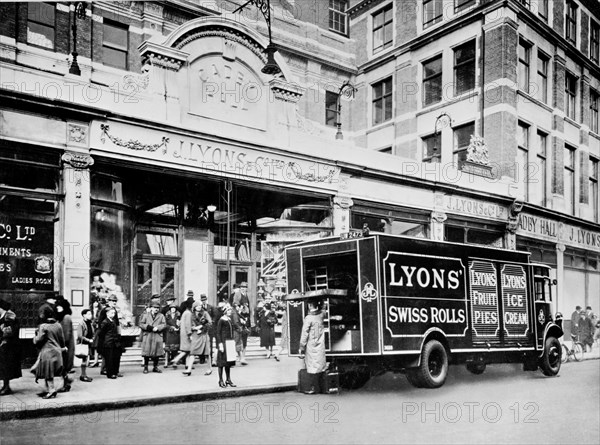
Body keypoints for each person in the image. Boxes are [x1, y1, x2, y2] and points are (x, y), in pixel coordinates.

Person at [32, 313, 66, 399]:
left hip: (47, 351)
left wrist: (35, 337)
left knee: (48, 371)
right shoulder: (58, 325)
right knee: (50, 371)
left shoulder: (43, 326)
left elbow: (38, 340)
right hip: (57, 351)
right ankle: (49, 390)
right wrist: (62, 347)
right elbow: (62, 339)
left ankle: (51, 391)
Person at [299, 299, 327, 395]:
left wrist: (301, 346)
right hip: (320, 344)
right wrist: (321, 302)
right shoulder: (321, 315)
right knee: (320, 365)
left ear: (310, 305)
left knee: (311, 367)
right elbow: (323, 309)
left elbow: (304, 334)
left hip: (311, 345)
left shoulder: (308, 318)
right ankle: (322, 387)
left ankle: (313, 388)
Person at [184, 301, 212, 376]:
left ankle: (209, 369)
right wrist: (190, 333)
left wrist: (202, 327)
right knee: (192, 352)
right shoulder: (191, 315)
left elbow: (210, 323)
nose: (199, 307)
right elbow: (188, 325)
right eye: (197, 306)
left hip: (203, 335)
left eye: (200, 305)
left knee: (207, 353)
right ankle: (189, 369)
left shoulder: (205, 313)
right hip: (195, 335)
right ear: (194, 307)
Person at [0, 299, 22, 395]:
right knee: (3, 367)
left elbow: (8, 331)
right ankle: (5, 386)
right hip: (4, 345)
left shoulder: (9, 317)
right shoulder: (3, 316)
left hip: (8, 346)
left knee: (6, 367)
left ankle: (6, 387)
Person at [139, 302, 167, 373]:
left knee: (157, 352)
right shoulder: (146, 315)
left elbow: (164, 324)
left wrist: (157, 328)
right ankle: (146, 367)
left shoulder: (161, 316)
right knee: (146, 352)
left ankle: (155, 367)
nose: (156, 309)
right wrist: (148, 327)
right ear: (151, 308)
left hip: (157, 335)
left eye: (157, 308)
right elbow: (141, 324)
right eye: (154, 307)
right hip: (148, 335)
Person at [97, 307, 122, 379]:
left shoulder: (113, 321)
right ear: (107, 313)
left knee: (115, 357)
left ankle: (115, 372)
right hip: (108, 342)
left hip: (114, 342)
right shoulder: (105, 322)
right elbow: (101, 333)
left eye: (114, 313)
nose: (113, 314)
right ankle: (110, 374)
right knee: (109, 359)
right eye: (112, 313)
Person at [55, 299, 75, 393]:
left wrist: (62, 345)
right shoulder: (61, 317)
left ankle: (65, 384)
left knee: (65, 365)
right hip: (63, 345)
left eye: (60, 306)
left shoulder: (66, 317)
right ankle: (66, 383)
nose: (57, 308)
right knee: (63, 366)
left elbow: (66, 335)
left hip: (66, 346)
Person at [170, 297, 194, 371]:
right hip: (187, 334)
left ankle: (187, 365)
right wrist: (190, 334)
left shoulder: (184, 313)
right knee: (188, 350)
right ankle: (176, 359)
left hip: (183, 333)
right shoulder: (188, 313)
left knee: (187, 350)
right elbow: (188, 325)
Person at [216, 304, 236, 388]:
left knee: (228, 363)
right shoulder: (221, 320)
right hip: (224, 342)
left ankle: (228, 379)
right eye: (228, 310)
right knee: (221, 362)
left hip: (230, 342)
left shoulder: (229, 319)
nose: (230, 311)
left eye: (230, 310)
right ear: (224, 311)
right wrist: (220, 344)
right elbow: (218, 333)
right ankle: (220, 380)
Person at [199, 294, 219, 367]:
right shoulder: (200, 308)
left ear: (206, 300)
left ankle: (211, 359)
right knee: (204, 343)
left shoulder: (211, 307)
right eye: (202, 300)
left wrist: (212, 322)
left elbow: (215, 316)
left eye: (204, 300)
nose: (203, 301)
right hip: (203, 328)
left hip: (211, 328)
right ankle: (203, 358)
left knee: (210, 343)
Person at [76, 309, 94, 382]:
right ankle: (83, 375)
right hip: (83, 343)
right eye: (89, 314)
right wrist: (88, 340)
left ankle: (84, 374)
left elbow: (92, 332)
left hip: (88, 343)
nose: (91, 315)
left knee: (86, 359)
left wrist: (92, 338)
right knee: (84, 359)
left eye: (91, 314)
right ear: (84, 315)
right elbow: (80, 335)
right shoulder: (81, 324)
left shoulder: (90, 323)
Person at [163, 303, 180, 368]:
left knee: (175, 349)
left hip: (176, 334)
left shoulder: (178, 315)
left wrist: (178, 327)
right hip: (169, 333)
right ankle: (166, 361)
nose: (173, 309)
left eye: (174, 308)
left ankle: (174, 362)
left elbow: (180, 323)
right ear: (170, 309)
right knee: (167, 348)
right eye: (172, 308)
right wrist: (171, 328)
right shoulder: (167, 315)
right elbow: (165, 324)